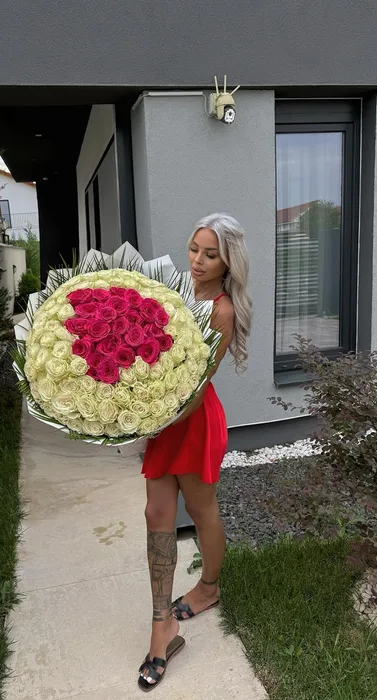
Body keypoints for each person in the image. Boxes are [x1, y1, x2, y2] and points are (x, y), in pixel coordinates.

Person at [138, 213, 253, 691]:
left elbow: (196, 384)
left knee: (203, 511)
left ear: (228, 262)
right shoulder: (175, 288)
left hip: (192, 419)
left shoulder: (221, 311)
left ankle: (209, 587)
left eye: (211, 254)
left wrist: (150, 417)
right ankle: (161, 625)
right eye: (194, 249)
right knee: (155, 514)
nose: (199, 261)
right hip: (161, 417)